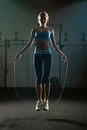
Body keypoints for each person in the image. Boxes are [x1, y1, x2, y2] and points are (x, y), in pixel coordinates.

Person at [15, 11, 67, 111]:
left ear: (47, 19)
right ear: (38, 19)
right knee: (39, 78)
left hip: (48, 55)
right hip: (37, 55)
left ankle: (46, 101)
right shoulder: (34, 30)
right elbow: (29, 44)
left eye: (44, 18)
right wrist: (20, 53)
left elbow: (54, 45)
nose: (42, 19)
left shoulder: (50, 30)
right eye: (41, 18)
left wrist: (62, 55)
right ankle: (39, 101)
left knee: (46, 78)